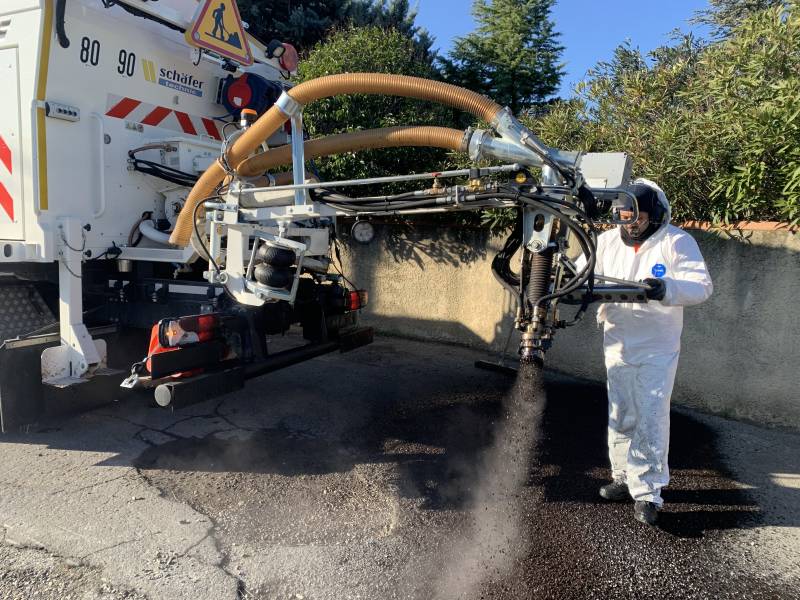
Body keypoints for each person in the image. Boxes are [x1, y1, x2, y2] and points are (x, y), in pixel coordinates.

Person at [589, 178, 713, 525]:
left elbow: (701, 286)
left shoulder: (675, 242)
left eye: (638, 219)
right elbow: (582, 272)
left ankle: (647, 493)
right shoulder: (606, 242)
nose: (631, 226)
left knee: (651, 414)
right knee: (620, 411)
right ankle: (623, 476)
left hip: (657, 346)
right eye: (625, 219)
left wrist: (666, 288)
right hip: (617, 340)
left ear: (654, 214)